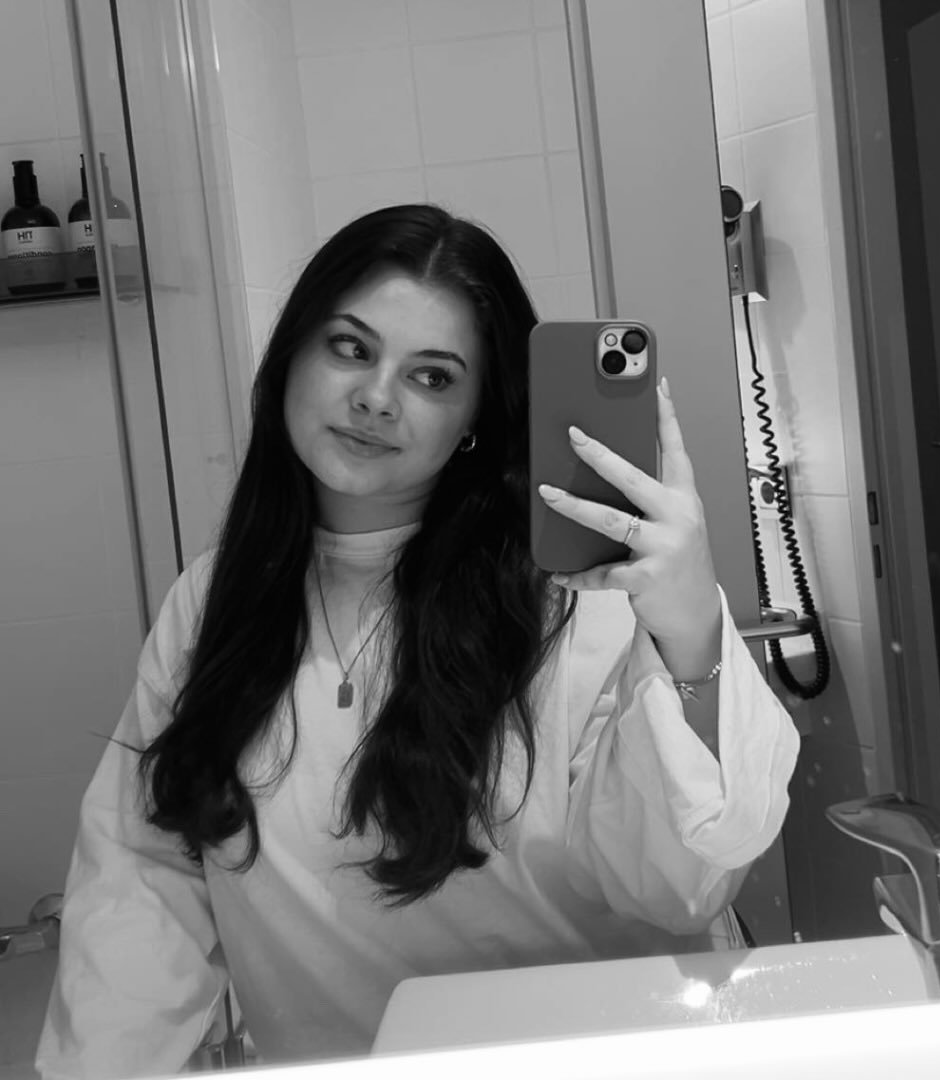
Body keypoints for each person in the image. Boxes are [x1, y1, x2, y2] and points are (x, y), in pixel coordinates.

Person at [36, 204, 798, 1078]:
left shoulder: (578, 597)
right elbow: (145, 880)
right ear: (291, 356)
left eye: (433, 377)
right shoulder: (213, 603)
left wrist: (690, 628)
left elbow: (679, 887)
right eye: (350, 348)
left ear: (474, 417)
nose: (376, 397)